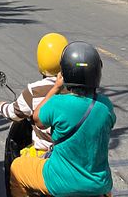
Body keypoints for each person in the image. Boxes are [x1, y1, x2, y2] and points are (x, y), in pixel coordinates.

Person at [9, 41, 115, 197]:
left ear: (65, 73)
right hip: (99, 185)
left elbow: (36, 119)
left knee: (16, 168)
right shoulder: (105, 105)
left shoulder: (57, 103)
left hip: (60, 182)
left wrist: (56, 88)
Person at [0, 33, 69, 156]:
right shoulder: (77, 90)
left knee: (16, 167)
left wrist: (1, 106)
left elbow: (14, 113)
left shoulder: (34, 91)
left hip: (44, 155)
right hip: (72, 155)